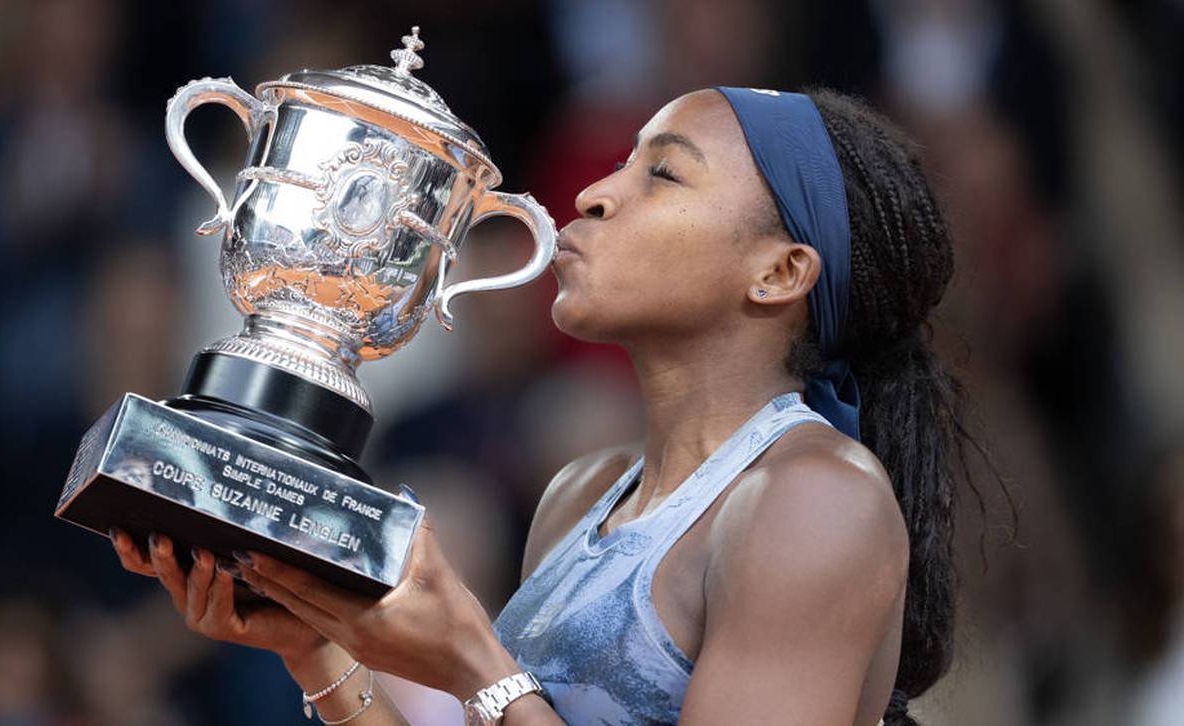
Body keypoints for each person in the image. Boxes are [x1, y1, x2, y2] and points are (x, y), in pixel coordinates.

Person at [112, 86, 986, 725]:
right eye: (618, 165)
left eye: (665, 175)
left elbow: (493, 696)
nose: (596, 194)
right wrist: (315, 647)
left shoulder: (816, 500)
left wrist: (472, 662)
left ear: (779, 273)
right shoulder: (582, 492)